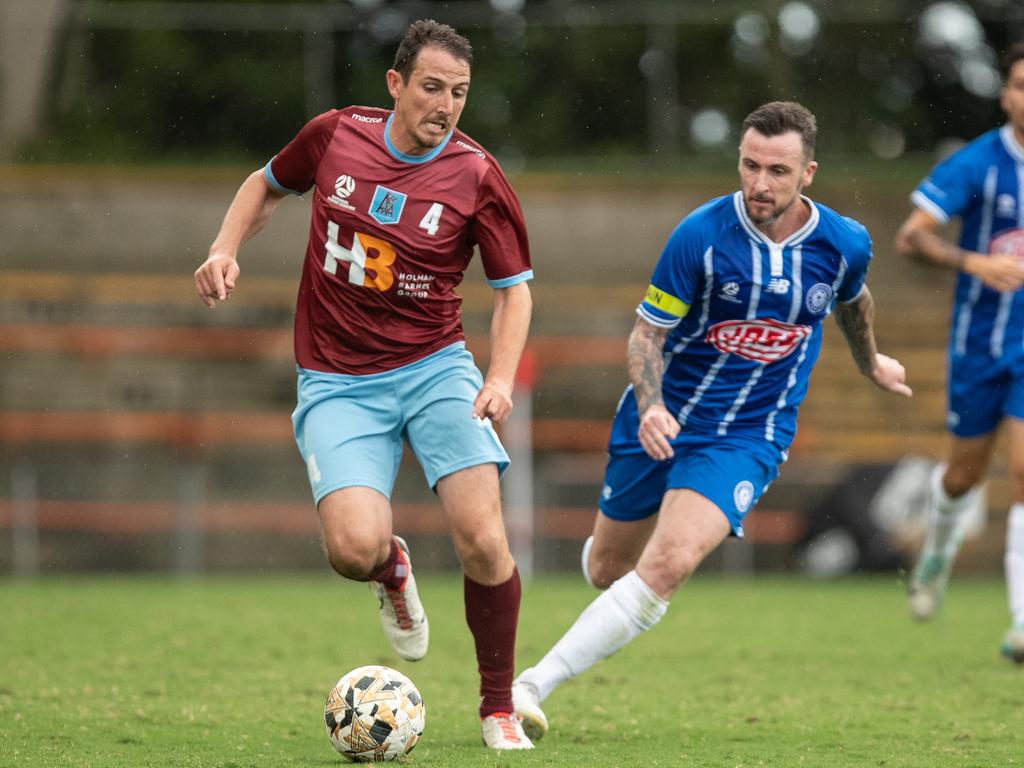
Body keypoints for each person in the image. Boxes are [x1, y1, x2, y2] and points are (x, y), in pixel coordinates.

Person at [511, 101, 912, 740]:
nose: (760, 183)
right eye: (750, 166)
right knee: (607, 572)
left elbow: (854, 299)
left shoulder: (844, 243)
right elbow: (647, 336)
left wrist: (870, 364)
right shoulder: (699, 236)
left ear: (808, 173)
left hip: (750, 435)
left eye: (777, 171)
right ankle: (610, 565)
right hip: (665, 420)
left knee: (667, 566)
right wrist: (651, 407)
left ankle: (531, 686)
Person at [193, 19, 535, 749]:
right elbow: (266, 183)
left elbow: (514, 290)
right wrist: (224, 249)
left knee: (483, 538)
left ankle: (497, 707)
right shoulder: (336, 136)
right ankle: (392, 569)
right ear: (396, 86)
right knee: (352, 549)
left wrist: (499, 377)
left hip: (438, 367)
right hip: (337, 379)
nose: (446, 105)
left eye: (460, 93)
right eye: (433, 88)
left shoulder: (477, 174)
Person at [896, 43, 1024, 664]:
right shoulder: (979, 164)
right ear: (1005, 94)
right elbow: (911, 235)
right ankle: (936, 562)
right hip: (978, 347)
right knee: (963, 476)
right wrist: (975, 261)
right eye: (1022, 85)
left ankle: (1022, 624)